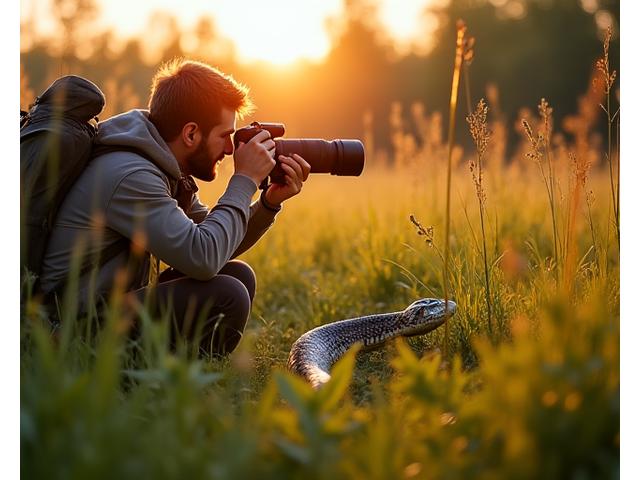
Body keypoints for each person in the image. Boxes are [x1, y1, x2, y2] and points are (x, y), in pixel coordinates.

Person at [39, 59, 310, 355]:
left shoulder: (161, 166)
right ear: (191, 133)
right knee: (227, 295)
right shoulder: (132, 175)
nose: (231, 149)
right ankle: (155, 385)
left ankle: (176, 376)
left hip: (104, 309)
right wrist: (244, 180)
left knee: (237, 275)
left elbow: (216, 246)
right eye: (225, 136)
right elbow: (203, 258)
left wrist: (269, 203)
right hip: (67, 334)